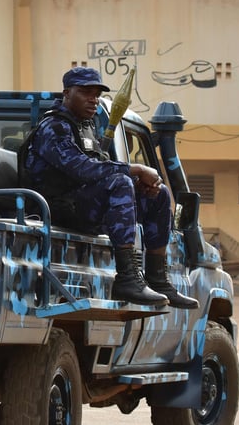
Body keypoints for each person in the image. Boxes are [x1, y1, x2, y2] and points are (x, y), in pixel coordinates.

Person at [18, 67, 194, 308]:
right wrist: (136, 170)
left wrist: (139, 184)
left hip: (80, 206)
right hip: (57, 209)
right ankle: (127, 278)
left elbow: (98, 168)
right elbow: (83, 169)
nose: (93, 99)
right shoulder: (54, 127)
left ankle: (158, 279)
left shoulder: (85, 126)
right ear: (67, 93)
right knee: (121, 182)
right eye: (85, 92)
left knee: (158, 194)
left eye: (96, 94)